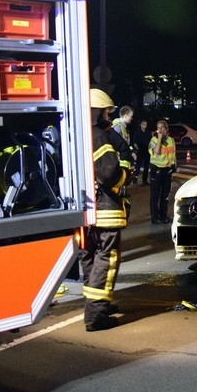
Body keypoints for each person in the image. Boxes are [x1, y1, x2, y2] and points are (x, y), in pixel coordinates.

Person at [81, 89, 131, 332]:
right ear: (98, 112)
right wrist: (125, 176)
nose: (108, 116)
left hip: (86, 208)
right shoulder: (99, 137)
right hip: (105, 208)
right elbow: (110, 173)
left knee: (90, 255)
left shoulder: (79, 134)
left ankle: (95, 303)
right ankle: (96, 313)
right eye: (105, 111)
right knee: (106, 257)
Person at [148, 120, 176, 223]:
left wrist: (174, 165)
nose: (160, 130)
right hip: (157, 171)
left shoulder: (171, 140)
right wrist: (159, 138)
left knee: (165, 195)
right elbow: (157, 151)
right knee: (155, 196)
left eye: (162, 128)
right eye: (158, 128)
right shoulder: (153, 140)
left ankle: (164, 216)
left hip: (167, 171)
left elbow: (173, 154)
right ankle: (155, 218)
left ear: (166, 129)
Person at [132, 119, 151, 185]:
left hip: (147, 151)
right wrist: (138, 150)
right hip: (140, 151)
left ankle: (144, 181)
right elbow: (135, 143)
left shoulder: (148, 132)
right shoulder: (137, 132)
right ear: (140, 125)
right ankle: (134, 179)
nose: (145, 126)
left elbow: (150, 142)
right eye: (143, 124)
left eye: (146, 124)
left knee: (146, 167)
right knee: (138, 166)